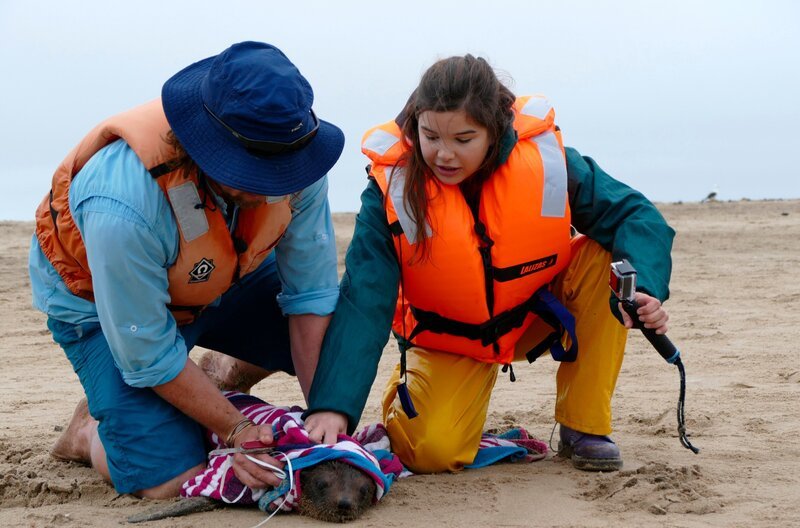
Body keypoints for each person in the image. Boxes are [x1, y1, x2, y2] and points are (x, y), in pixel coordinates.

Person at [302, 54, 675, 474]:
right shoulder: (392, 189)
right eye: (431, 136)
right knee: (431, 454)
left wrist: (642, 287)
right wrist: (333, 406)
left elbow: (635, 215)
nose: (444, 154)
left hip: (535, 313)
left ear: (493, 130)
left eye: (463, 139)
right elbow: (365, 297)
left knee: (605, 255)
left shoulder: (549, 162)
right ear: (416, 126)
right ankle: (413, 396)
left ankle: (583, 427)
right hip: (451, 337)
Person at [29, 41, 345, 497]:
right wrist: (237, 430)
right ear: (204, 146)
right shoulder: (122, 203)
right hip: (105, 311)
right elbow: (148, 353)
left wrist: (324, 414)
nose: (275, 187)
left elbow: (311, 297)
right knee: (167, 479)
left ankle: (217, 375)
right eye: (256, 174)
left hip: (219, 277)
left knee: (333, 331)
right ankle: (87, 431)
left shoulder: (295, 157)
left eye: (284, 172)